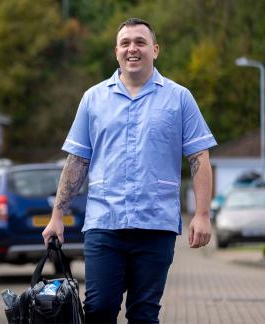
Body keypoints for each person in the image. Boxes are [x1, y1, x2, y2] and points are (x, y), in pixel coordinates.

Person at [42, 18, 217, 324]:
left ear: (155, 50)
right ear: (116, 51)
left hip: (156, 225)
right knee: (99, 308)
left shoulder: (179, 98)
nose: (132, 49)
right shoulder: (93, 99)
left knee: (144, 313)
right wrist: (57, 216)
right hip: (103, 225)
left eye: (140, 42)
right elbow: (77, 161)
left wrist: (202, 215)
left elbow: (199, 157)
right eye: (125, 43)